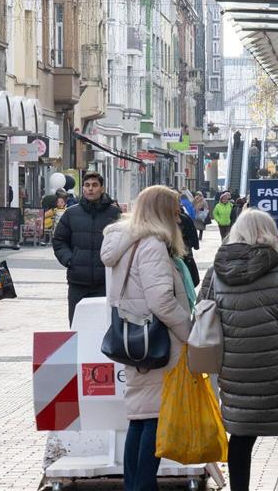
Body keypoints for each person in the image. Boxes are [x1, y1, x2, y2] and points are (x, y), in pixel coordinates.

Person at [198, 210, 278, 491]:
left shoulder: (216, 274)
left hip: (236, 372)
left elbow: (203, 316)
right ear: (268, 234)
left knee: (241, 436)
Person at [100, 186, 191, 491]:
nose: (179, 215)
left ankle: (135, 485)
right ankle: (142, 486)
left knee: (140, 419)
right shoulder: (151, 245)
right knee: (152, 419)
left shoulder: (124, 243)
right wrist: (189, 333)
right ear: (162, 211)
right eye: (175, 209)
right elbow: (161, 300)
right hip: (157, 344)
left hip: (134, 341)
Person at [52, 171, 123, 324]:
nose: (90, 189)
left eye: (95, 185)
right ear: (83, 188)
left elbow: (123, 242)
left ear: (102, 188)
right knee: (78, 326)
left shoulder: (115, 213)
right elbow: (59, 240)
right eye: (87, 185)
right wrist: (71, 260)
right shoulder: (71, 213)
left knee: (105, 327)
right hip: (78, 282)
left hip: (106, 282)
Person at [179, 205, 201, 286]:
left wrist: (194, 244)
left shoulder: (184, 218)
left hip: (184, 247)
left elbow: (192, 232)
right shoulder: (184, 217)